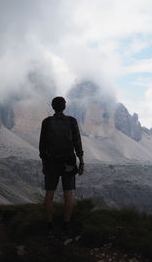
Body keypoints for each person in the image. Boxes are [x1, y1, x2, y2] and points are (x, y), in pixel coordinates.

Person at [39, 96, 84, 238]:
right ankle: (66, 224)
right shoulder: (71, 121)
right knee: (68, 194)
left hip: (51, 163)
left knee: (49, 194)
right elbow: (77, 142)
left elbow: (42, 146)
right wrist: (81, 161)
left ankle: (49, 226)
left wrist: (45, 163)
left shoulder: (46, 122)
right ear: (64, 106)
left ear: (53, 106)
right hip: (68, 163)